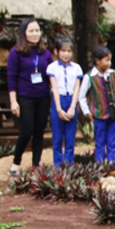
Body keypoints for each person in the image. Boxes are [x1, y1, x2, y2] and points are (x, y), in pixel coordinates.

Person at [6, 17, 53, 175]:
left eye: (37, 31)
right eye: (31, 31)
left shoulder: (45, 53)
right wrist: (13, 101)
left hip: (43, 96)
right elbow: (11, 78)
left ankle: (36, 165)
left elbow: (51, 75)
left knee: (39, 131)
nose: (35, 34)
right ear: (24, 33)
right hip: (25, 97)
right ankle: (16, 163)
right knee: (26, 131)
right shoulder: (16, 53)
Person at [77, 46, 115, 164]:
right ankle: (100, 164)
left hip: (113, 114)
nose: (109, 63)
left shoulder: (113, 74)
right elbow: (81, 96)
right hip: (99, 115)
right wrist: (87, 111)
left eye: (110, 60)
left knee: (112, 140)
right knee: (100, 141)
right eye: (106, 60)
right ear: (97, 61)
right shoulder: (89, 77)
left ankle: (111, 162)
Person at [46, 37, 83, 167]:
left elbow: (77, 88)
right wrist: (59, 109)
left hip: (71, 100)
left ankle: (68, 165)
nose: (66, 54)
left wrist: (73, 107)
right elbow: (54, 88)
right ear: (56, 51)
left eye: (69, 51)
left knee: (70, 137)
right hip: (58, 100)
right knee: (57, 137)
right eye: (63, 51)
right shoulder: (52, 67)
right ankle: (58, 165)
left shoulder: (77, 68)